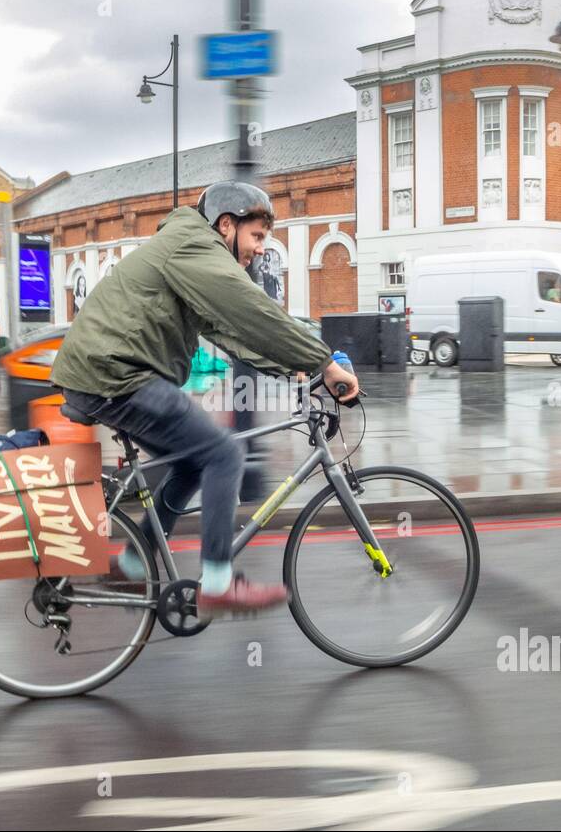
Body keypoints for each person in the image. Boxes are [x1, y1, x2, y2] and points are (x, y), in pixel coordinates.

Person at [51, 181, 358, 613]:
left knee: (194, 462)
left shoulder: (190, 251)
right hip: (115, 373)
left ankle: (133, 566)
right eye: (256, 236)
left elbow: (231, 333)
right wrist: (324, 360)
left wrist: (297, 370)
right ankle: (217, 583)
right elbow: (251, 309)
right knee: (224, 455)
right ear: (226, 225)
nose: (259, 250)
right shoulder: (194, 246)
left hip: (107, 372)